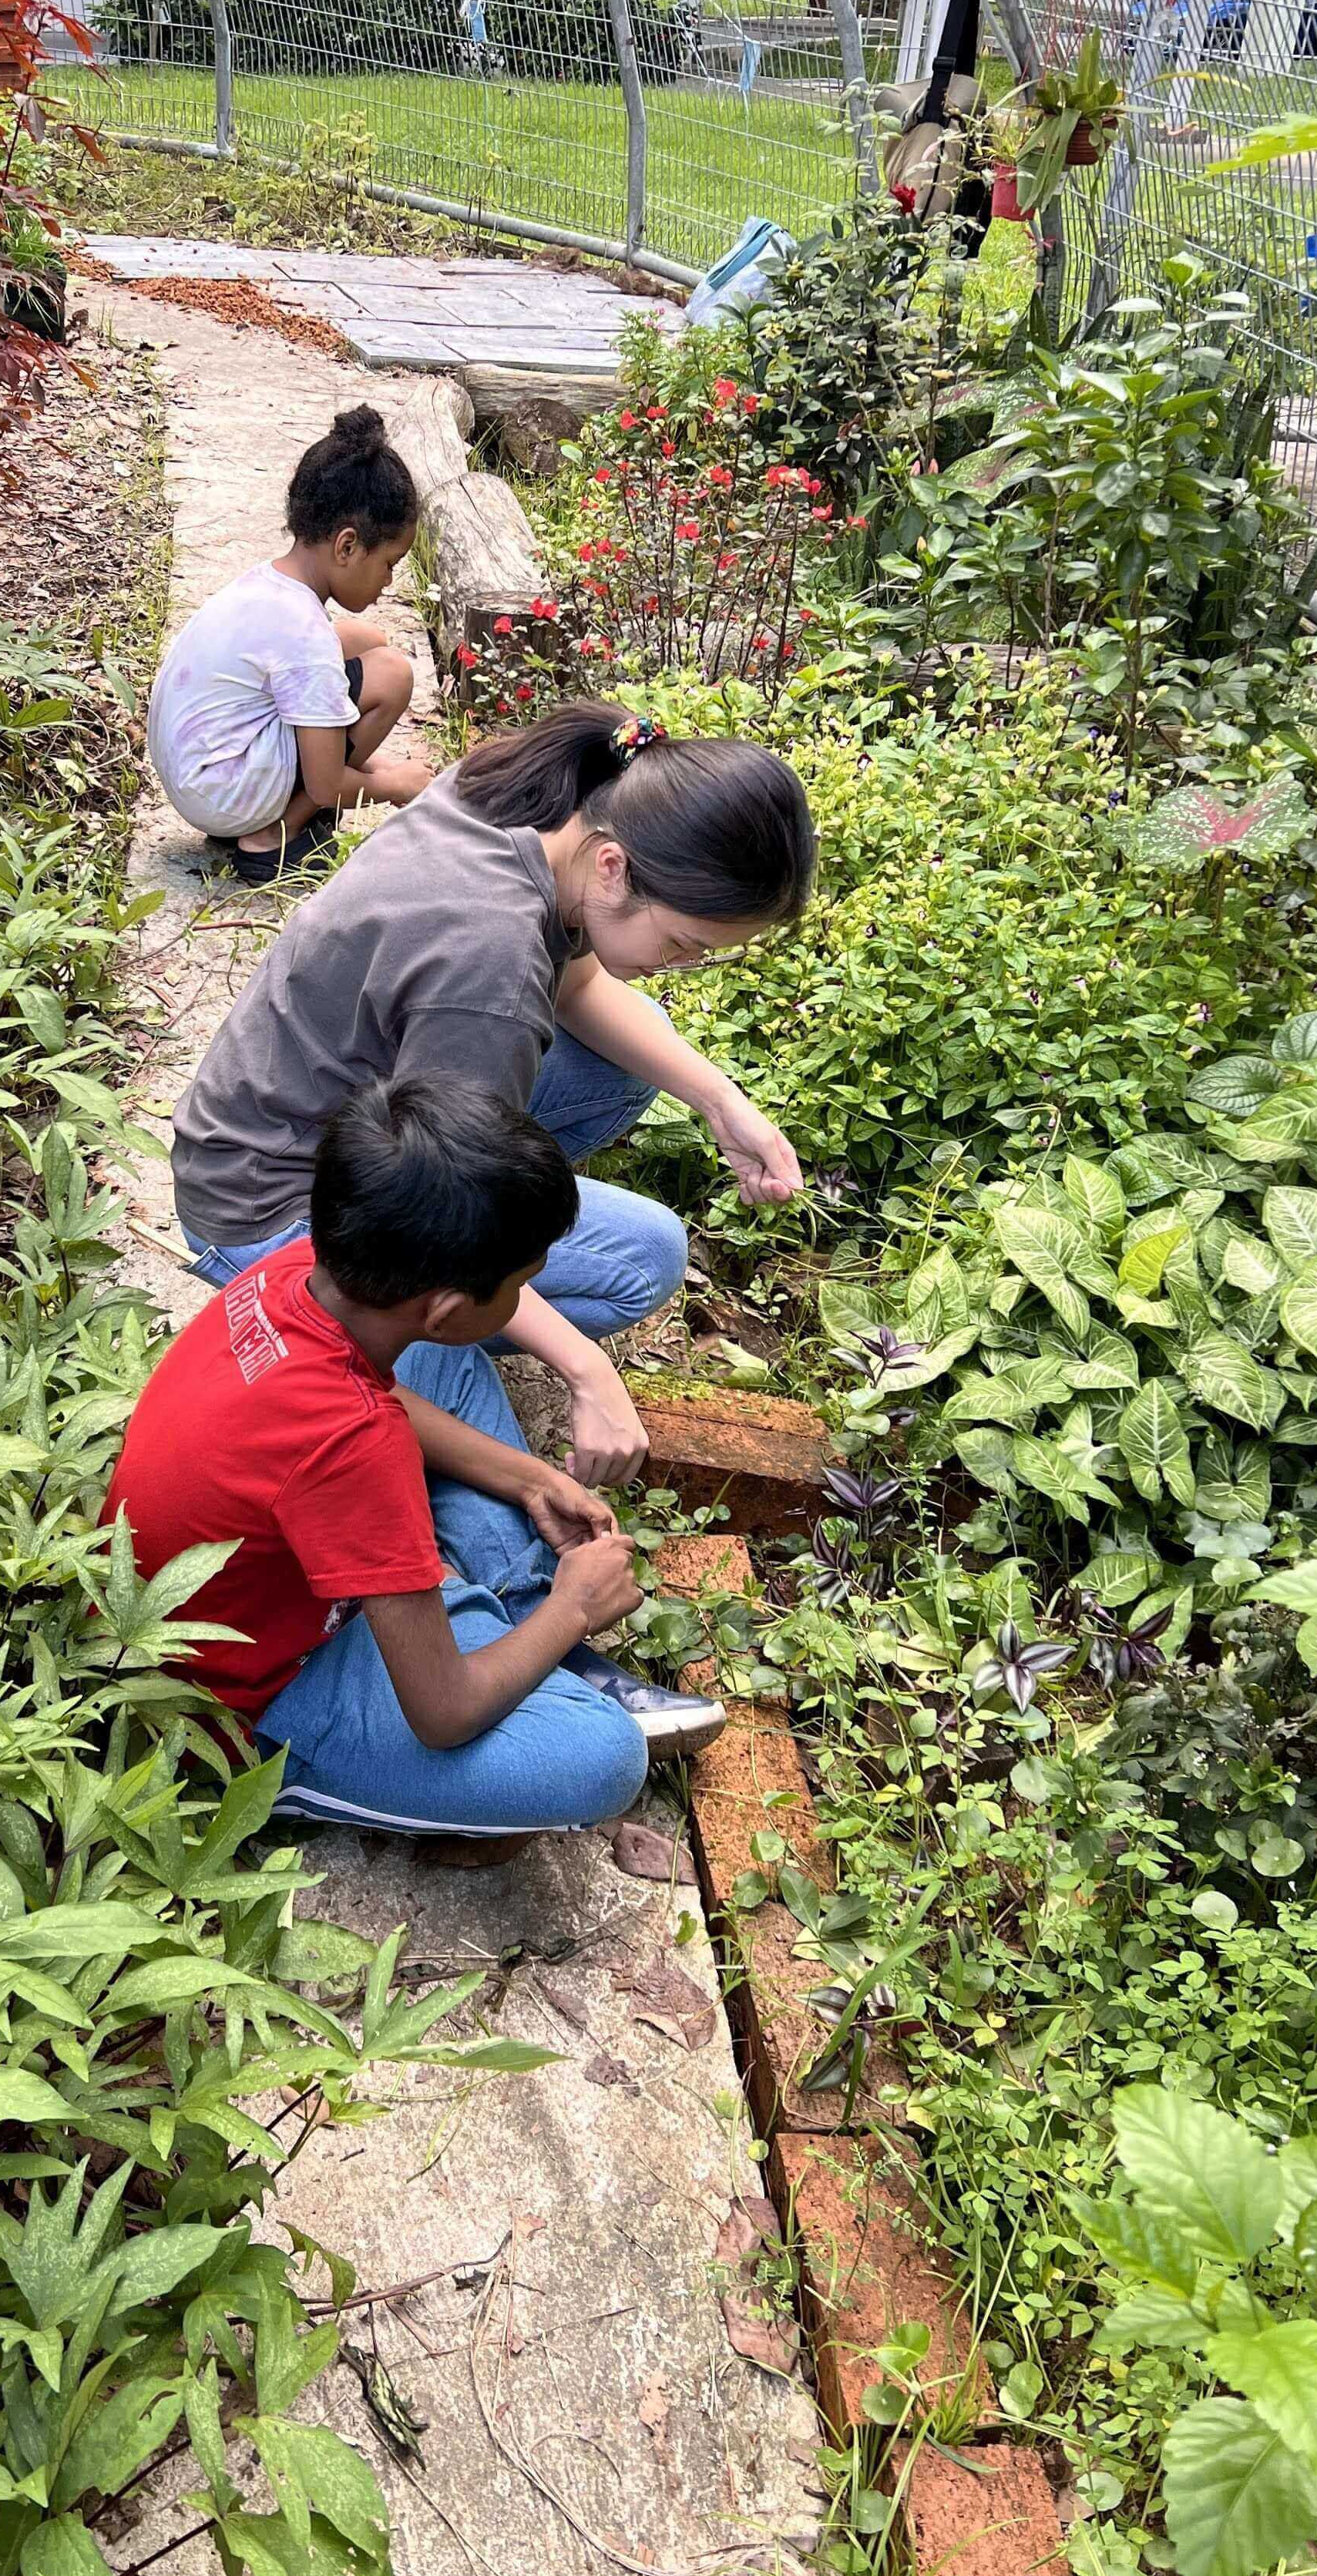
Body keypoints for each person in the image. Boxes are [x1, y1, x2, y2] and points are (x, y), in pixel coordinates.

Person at [171, 700, 815, 1485]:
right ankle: (359, 1338)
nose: (681, 965)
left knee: (630, 1069)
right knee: (628, 1281)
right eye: (684, 945)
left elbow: (576, 980)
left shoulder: (542, 799)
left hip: (299, 1117)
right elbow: (438, 1219)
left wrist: (721, 1100)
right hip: (273, 1207)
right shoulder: (491, 976)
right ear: (612, 866)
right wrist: (586, 1369)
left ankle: (455, 1328)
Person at [105, 1079, 724, 1840]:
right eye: (521, 1285)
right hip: (255, 1691)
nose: (528, 1297)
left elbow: (368, 1402)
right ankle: (304, 1775)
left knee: (444, 1369)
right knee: (603, 1759)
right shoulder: (352, 1446)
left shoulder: (287, 1269)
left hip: (270, 1559)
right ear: (446, 1306)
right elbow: (443, 1714)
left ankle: (500, 1622)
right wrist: (576, 1610)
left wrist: (527, 1475)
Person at [146, 404, 433, 885]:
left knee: (369, 641)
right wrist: (390, 784)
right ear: (346, 547)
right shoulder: (303, 633)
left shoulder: (269, 588)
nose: (388, 580)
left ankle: (268, 809)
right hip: (225, 794)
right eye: (389, 562)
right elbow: (326, 784)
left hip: (195, 774)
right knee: (392, 674)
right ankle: (277, 831)